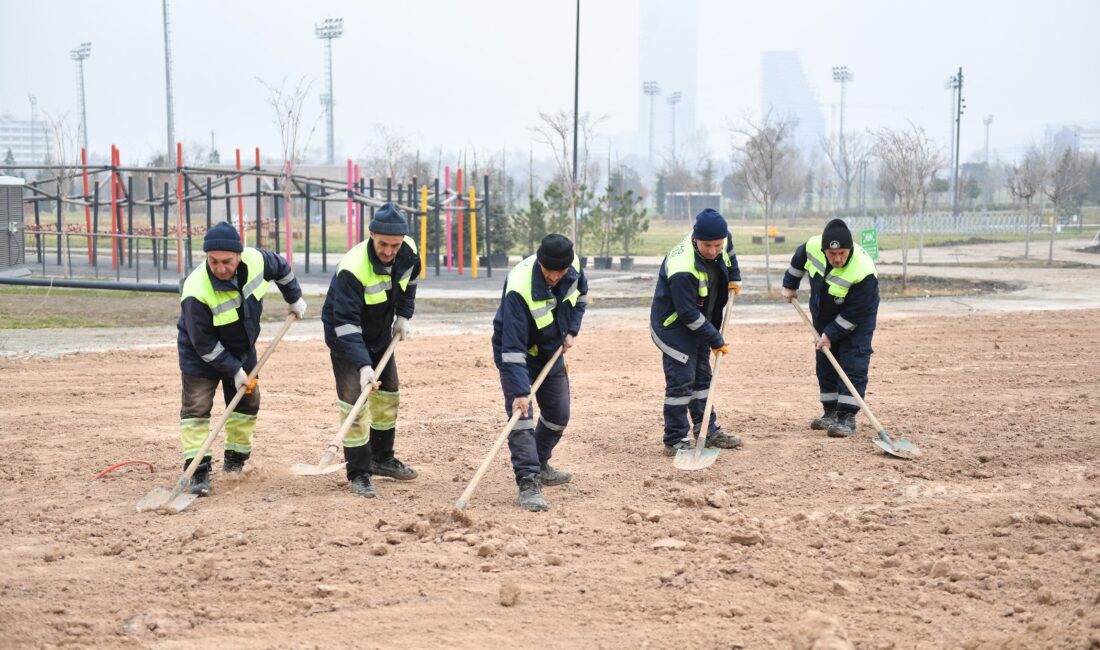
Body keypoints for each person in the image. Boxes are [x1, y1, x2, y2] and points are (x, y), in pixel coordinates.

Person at [177, 221, 306, 496]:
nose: (220, 268)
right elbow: (204, 344)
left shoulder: (257, 261)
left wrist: (294, 297)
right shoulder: (196, 290)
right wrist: (233, 370)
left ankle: (235, 462)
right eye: (213, 262)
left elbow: (281, 268)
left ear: (239, 255)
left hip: (242, 347)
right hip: (201, 355)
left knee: (247, 401)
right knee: (196, 411)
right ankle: (198, 471)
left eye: (227, 261)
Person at [322, 203, 421, 498]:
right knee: (354, 403)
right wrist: (363, 365)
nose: (389, 251)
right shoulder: (353, 269)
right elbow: (346, 323)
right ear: (371, 235)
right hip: (346, 337)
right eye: (383, 244)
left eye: (395, 245)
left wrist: (404, 314)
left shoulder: (409, 251)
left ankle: (382, 458)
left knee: (388, 395)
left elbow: (411, 282)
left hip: (380, 334)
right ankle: (359, 473)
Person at [491, 233, 588, 512]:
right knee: (521, 417)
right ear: (540, 264)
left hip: (551, 349)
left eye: (560, 273)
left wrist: (572, 330)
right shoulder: (519, 288)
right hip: (516, 354)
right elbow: (512, 348)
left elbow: (580, 297)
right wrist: (520, 392)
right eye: (549, 272)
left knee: (559, 414)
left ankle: (540, 461)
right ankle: (528, 482)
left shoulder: (574, 268)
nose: (555, 278)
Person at [650, 208, 743, 456]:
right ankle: (675, 439)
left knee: (703, 378)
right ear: (695, 238)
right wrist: (715, 339)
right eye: (707, 246)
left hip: (702, 321)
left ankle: (707, 430)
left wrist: (734, 276)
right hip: (673, 327)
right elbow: (687, 313)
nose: (713, 251)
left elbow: (729, 249)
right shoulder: (683, 268)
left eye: (717, 245)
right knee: (681, 383)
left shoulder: (722, 239)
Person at [781, 218, 880, 437]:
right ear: (824, 249)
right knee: (825, 363)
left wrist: (831, 334)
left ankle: (846, 417)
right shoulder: (813, 247)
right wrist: (790, 284)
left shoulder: (863, 271)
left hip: (857, 319)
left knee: (853, 362)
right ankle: (830, 412)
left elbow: (855, 312)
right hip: (823, 313)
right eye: (832, 254)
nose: (837, 258)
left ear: (850, 249)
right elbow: (799, 258)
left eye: (842, 254)